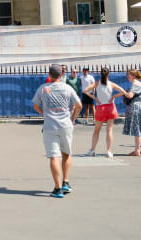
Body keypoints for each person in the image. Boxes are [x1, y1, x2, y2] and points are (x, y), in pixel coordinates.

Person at [31, 64, 81, 199]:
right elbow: (79, 105)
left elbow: (35, 105)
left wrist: (44, 113)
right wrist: (73, 119)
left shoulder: (44, 88)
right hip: (65, 125)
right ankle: (66, 181)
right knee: (67, 153)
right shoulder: (67, 88)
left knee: (54, 156)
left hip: (50, 126)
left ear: (49, 74)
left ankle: (58, 188)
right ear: (61, 75)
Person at [83, 68, 125, 157]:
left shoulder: (97, 83)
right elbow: (123, 92)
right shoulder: (111, 84)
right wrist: (114, 96)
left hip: (101, 107)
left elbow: (85, 90)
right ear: (108, 74)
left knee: (96, 131)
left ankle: (92, 150)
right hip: (110, 107)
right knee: (109, 130)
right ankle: (109, 151)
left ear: (101, 74)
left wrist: (95, 98)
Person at [122, 69, 141, 156]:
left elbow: (130, 96)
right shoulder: (137, 83)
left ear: (133, 76)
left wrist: (123, 92)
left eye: (129, 74)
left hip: (136, 107)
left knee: (137, 129)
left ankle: (137, 150)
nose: (127, 76)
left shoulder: (135, 84)